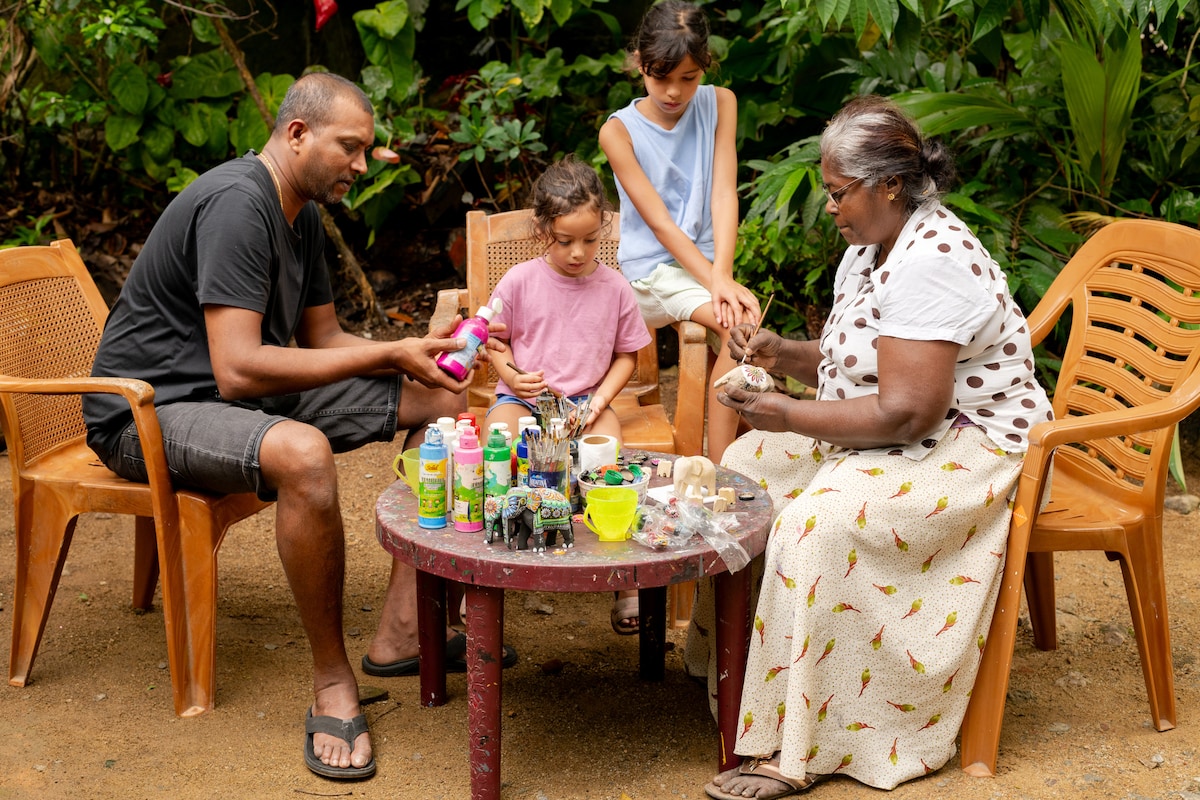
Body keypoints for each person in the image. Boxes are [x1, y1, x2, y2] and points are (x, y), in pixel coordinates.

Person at [82, 72, 514, 782]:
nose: (362, 164)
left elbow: (325, 338)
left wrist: (415, 359)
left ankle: (402, 629)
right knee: (305, 454)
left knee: (439, 407)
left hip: (231, 400)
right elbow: (239, 370)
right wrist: (388, 353)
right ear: (297, 134)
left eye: (367, 150)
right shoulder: (237, 205)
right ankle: (333, 680)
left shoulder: (302, 214)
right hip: (147, 411)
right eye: (351, 147)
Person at [700, 95, 1054, 798]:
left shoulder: (933, 262)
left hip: (969, 448)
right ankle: (743, 681)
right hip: (912, 428)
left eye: (837, 194)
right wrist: (781, 355)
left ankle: (806, 744)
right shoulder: (871, 246)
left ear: (888, 184)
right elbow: (859, 362)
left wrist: (787, 414)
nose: (829, 208)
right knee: (743, 472)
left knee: (816, 523)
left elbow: (906, 414)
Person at [485, 154, 652, 635]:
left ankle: (625, 583)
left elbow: (627, 356)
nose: (579, 252)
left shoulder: (616, 288)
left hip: (585, 404)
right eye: (565, 241)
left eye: (590, 240)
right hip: (525, 401)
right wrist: (512, 377)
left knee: (609, 461)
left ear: (602, 228)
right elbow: (494, 340)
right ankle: (486, 571)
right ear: (542, 231)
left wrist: (599, 402)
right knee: (503, 451)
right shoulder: (520, 281)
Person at [599, 0, 760, 465]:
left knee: (746, 331)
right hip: (653, 271)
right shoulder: (618, 132)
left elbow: (723, 194)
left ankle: (722, 460)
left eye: (688, 78)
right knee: (738, 325)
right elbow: (660, 224)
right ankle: (720, 464)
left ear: (704, 66)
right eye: (660, 77)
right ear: (639, 64)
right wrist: (716, 281)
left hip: (708, 264)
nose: (673, 91)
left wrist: (722, 274)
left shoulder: (720, 102)